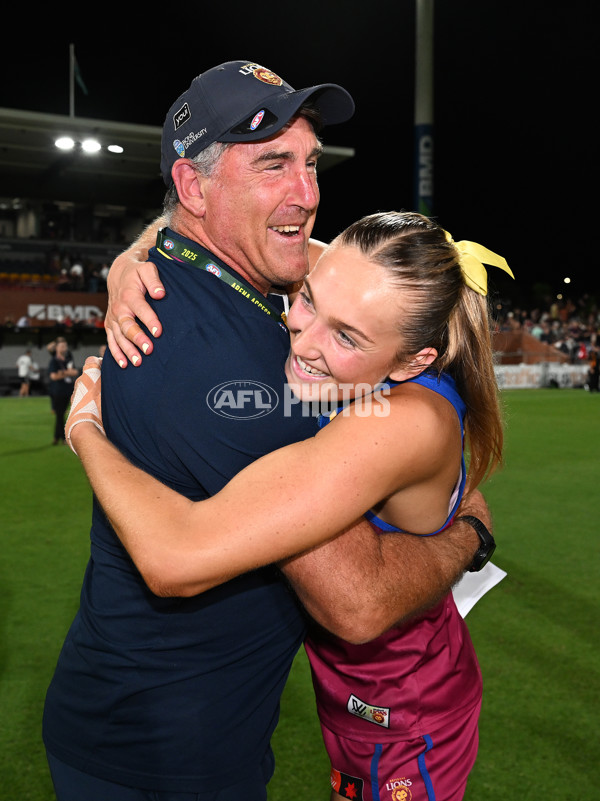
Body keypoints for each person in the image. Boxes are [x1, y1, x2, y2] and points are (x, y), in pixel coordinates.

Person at [43, 61, 486, 801]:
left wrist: (136, 248)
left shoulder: (206, 282)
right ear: (193, 187)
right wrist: (469, 532)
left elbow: (354, 272)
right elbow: (356, 597)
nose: (308, 195)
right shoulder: (229, 375)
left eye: (310, 163)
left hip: (162, 728)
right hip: (160, 758)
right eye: (274, 163)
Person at [47, 337, 78, 444]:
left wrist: (63, 373)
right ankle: (64, 438)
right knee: (60, 414)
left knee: (62, 415)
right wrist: (66, 373)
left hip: (69, 390)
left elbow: (74, 372)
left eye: (65, 346)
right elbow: (53, 377)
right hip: (58, 391)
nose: (64, 348)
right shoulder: (54, 361)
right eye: (62, 346)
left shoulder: (69, 359)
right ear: (57, 348)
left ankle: (56, 438)